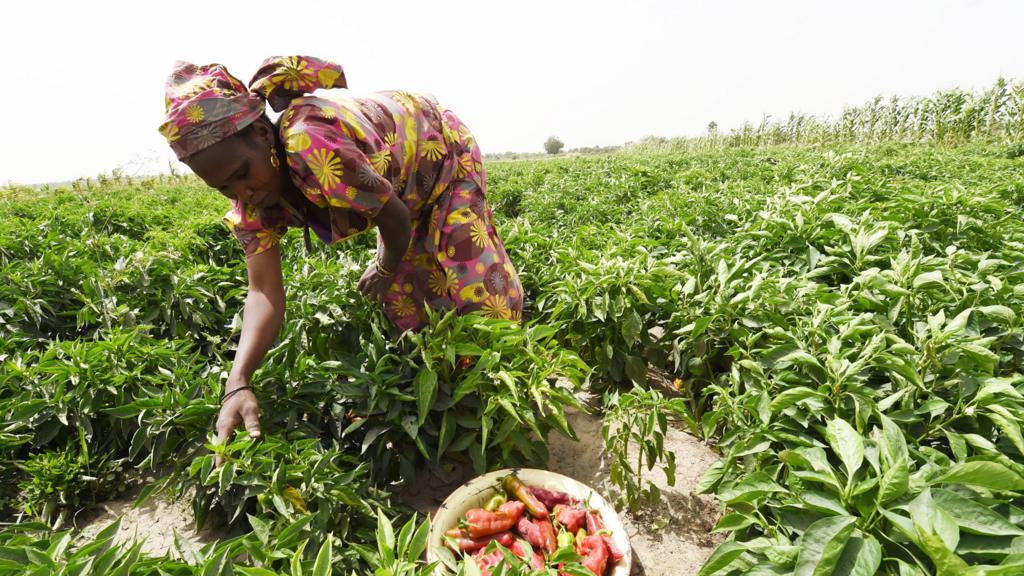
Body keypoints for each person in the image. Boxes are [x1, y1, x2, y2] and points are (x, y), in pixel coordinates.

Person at [159, 56, 524, 466]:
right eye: (223, 186)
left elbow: (394, 216)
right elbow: (262, 291)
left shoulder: (311, 144)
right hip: (399, 188)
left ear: (262, 134)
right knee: (410, 301)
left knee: (473, 276)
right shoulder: (251, 207)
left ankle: (511, 386)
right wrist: (237, 381)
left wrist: (384, 266)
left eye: (242, 173)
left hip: (439, 152)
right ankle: (456, 393)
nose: (243, 191)